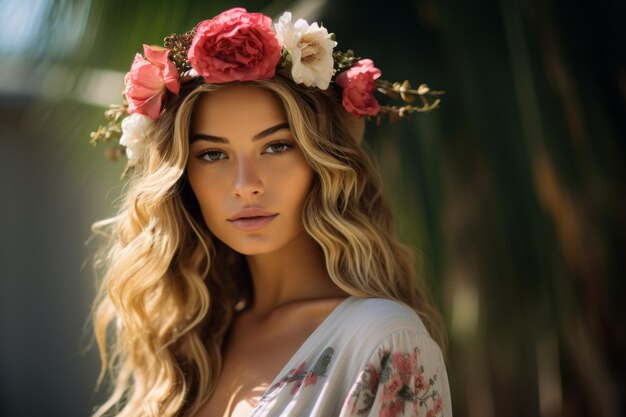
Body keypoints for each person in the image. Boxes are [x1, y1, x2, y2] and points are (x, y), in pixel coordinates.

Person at [89, 7, 451, 417]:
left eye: (276, 146)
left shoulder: (381, 338)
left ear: (322, 162)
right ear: (182, 178)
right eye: (212, 154)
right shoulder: (189, 342)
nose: (245, 184)